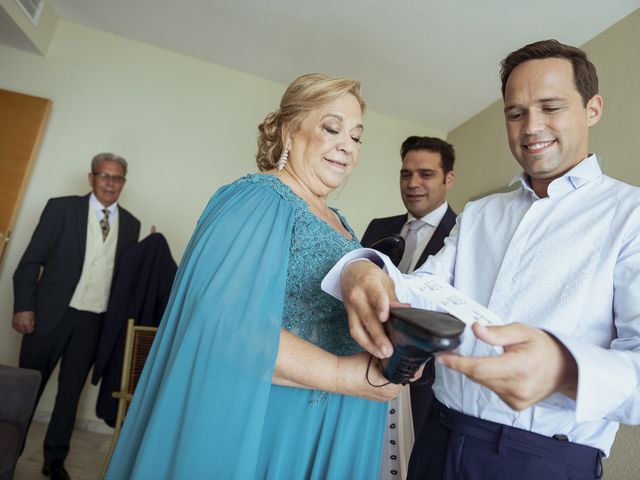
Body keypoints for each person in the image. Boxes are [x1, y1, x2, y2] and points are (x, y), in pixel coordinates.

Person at [322, 39, 640, 479]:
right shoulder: (480, 213)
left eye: (550, 107)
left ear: (592, 109)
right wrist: (362, 267)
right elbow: (424, 292)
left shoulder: (632, 215)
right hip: (439, 436)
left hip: (542, 461)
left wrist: (564, 369)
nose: (531, 127)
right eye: (516, 113)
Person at [105, 73, 408, 479]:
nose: (346, 147)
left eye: (356, 137)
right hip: (272, 417)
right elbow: (223, 325)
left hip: (340, 417)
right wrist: (342, 374)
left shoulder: (342, 223)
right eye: (332, 128)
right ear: (288, 130)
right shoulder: (260, 197)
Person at [12, 153, 140, 480]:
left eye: (117, 178)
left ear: (124, 183)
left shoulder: (132, 225)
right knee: (25, 390)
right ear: (91, 178)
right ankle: (8, 452)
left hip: (92, 323)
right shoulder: (61, 208)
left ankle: (54, 461)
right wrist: (24, 306)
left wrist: (148, 247)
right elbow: (30, 262)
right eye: (104, 176)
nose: (110, 183)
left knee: (70, 396)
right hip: (49, 315)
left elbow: (124, 276)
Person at [361, 136, 456, 478]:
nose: (413, 183)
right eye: (406, 174)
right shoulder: (377, 228)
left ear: (449, 179)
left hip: (424, 387)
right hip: (363, 371)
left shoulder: (463, 235)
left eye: (426, 174)